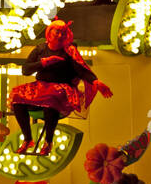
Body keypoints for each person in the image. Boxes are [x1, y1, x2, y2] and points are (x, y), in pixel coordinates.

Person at [11, 19, 113, 156]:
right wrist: (44, 63)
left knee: (50, 100)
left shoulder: (70, 50)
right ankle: (28, 139)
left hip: (61, 89)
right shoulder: (40, 49)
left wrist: (95, 81)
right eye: (58, 32)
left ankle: (48, 142)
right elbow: (26, 70)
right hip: (40, 87)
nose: (60, 36)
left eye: (63, 33)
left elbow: (81, 70)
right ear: (49, 32)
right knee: (17, 97)